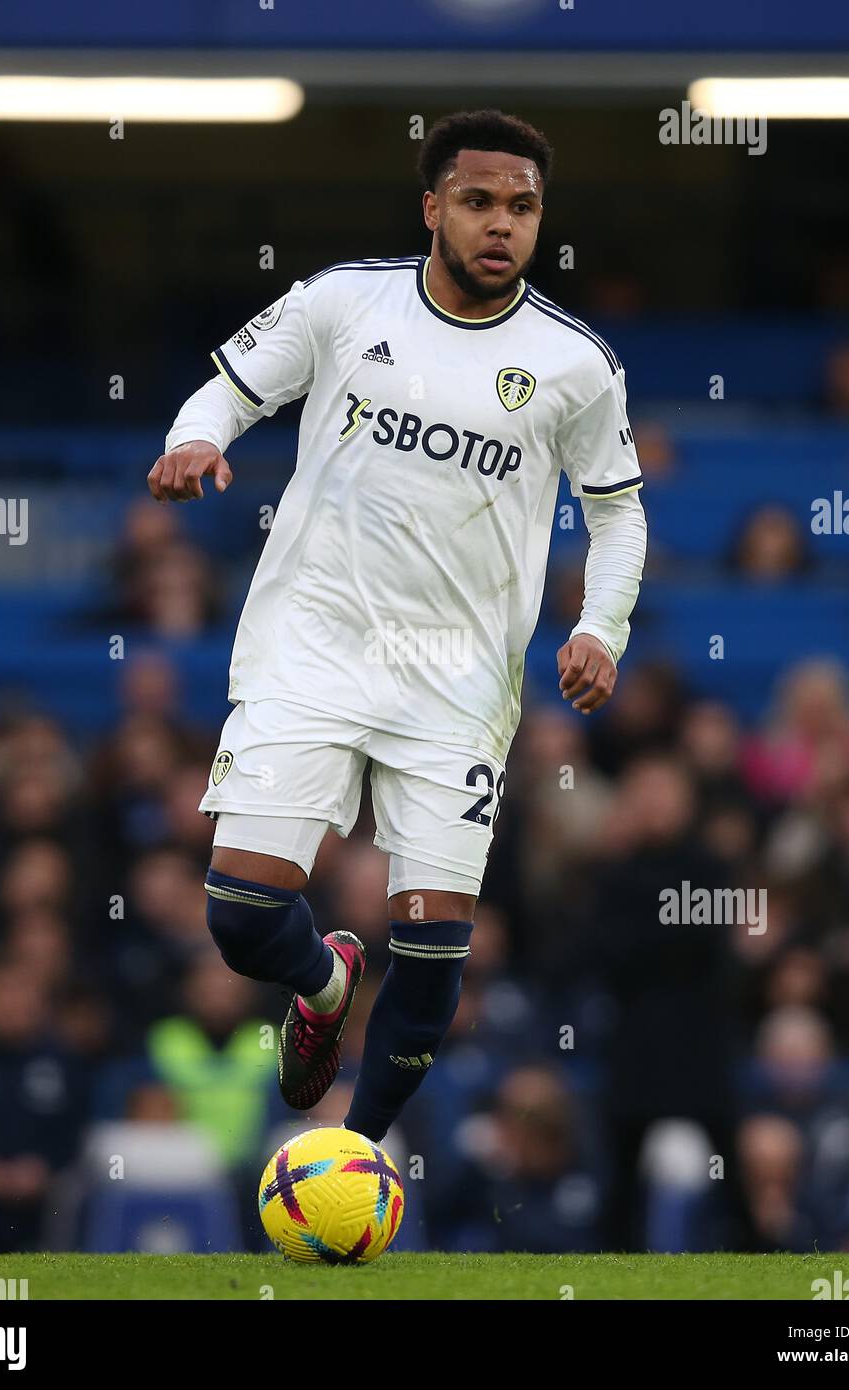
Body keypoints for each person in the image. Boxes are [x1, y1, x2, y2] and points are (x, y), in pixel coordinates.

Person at [146, 109, 648, 1143]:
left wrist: (600, 626)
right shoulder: (342, 302)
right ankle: (324, 983)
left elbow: (617, 510)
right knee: (240, 919)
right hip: (313, 649)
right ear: (433, 207)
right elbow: (227, 392)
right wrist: (193, 441)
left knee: (431, 956)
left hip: (458, 688)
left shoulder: (574, 364)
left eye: (522, 205)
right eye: (477, 202)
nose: (500, 224)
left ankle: (353, 1151)